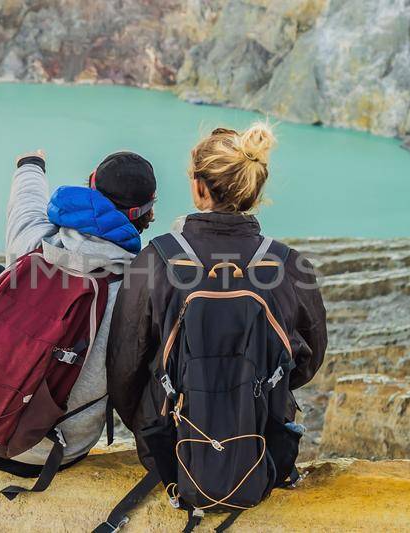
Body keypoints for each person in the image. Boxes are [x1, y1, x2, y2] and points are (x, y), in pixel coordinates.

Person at [102, 124, 326, 520]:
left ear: (201, 189)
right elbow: (307, 361)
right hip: (262, 445)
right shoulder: (290, 264)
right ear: (254, 190)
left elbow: (124, 366)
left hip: (171, 450)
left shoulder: (156, 259)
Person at [0, 148, 158, 469]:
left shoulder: (35, 245)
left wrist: (31, 165)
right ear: (145, 212)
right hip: (56, 450)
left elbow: (25, 206)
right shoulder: (137, 286)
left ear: (90, 187)